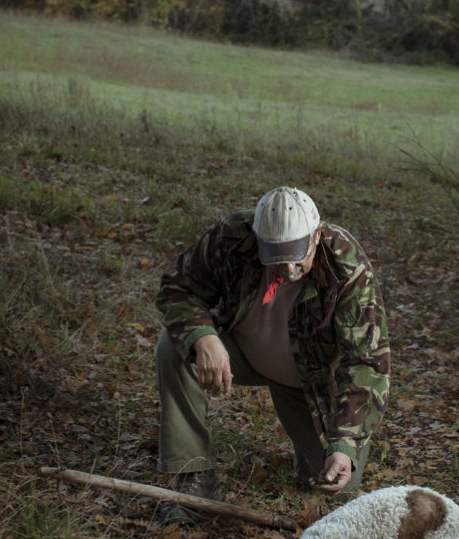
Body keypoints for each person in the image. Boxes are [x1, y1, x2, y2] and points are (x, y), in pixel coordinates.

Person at [154, 186, 390, 522]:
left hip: (309, 382)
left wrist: (345, 443)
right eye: (277, 256)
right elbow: (178, 288)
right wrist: (203, 336)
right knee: (173, 347)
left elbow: (366, 362)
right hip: (243, 353)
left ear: (317, 235)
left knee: (336, 486)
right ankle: (195, 477)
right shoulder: (232, 238)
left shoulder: (347, 267)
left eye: (297, 254)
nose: (288, 268)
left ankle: (311, 447)